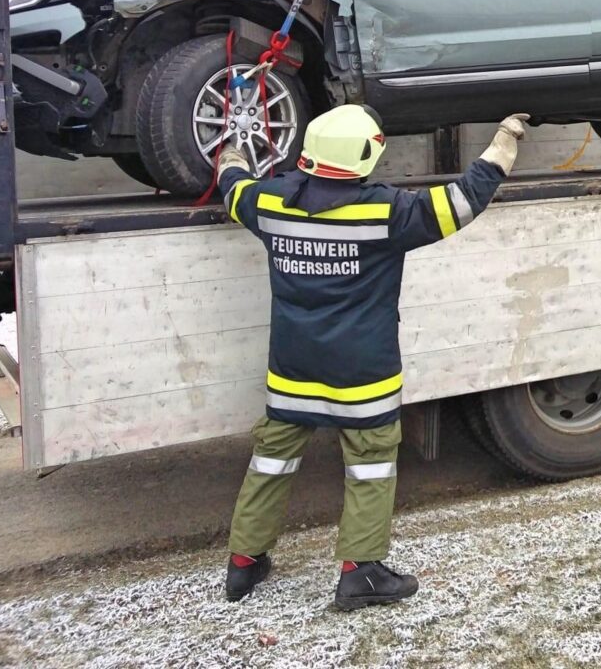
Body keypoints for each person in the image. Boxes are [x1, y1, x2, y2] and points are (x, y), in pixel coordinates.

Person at [215, 104, 530, 610]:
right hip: (362, 375)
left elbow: (234, 190)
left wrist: (229, 155)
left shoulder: (270, 203)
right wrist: (500, 150)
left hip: (292, 370)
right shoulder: (386, 212)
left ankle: (244, 564)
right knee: (369, 465)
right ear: (365, 157)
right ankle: (360, 572)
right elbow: (461, 202)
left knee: (271, 459)